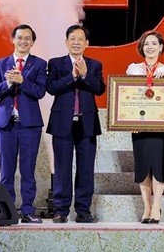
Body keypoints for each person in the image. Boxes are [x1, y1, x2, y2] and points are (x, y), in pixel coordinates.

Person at [46, 25, 106, 223]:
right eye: (72, 38)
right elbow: (52, 88)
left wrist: (86, 75)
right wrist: (72, 76)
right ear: (66, 42)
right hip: (62, 123)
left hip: (87, 123)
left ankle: (83, 211)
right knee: (62, 168)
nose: (76, 42)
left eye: (80, 39)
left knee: (86, 168)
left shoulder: (95, 65)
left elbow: (100, 90)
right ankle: (61, 210)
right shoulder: (56, 64)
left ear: (87, 43)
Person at [0, 24, 47, 224]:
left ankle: (28, 211)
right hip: (6, 124)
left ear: (32, 42)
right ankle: (6, 209)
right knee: (6, 171)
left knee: (28, 170)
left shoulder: (39, 64)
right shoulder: (1, 63)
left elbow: (40, 92)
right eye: (20, 37)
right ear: (13, 39)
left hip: (29, 125)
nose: (23, 41)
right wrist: (9, 83)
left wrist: (22, 80)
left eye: (28, 38)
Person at [126, 30, 164, 224]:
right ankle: (146, 207)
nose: (150, 47)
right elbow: (127, 97)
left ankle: (156, 207)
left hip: (160, 127)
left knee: (158, 166)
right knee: (143, 167)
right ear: (142, 47)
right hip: (140, 126)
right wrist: (128, 121)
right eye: (147, 44)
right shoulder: (134, 69)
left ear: (161, 47)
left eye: (154, 43)